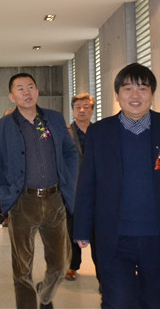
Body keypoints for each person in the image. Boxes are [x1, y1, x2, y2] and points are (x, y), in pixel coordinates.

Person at [73, 63, 160, 308]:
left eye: (143, 88)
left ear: (152, 94)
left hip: (159, 238)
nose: (135, 95)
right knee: (116, 302)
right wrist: (82, 228)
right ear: (117, 95)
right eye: (128, 88)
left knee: (155, 303)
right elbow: (87, 183)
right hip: (114, 237)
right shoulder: (100, 132)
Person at [0, 73, 79, 309]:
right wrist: (0, 198)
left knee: (61, 264)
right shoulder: (3, 126)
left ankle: (45, 295)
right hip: (22, 203)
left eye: (30, 87)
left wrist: (69, 183)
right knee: (22, 269)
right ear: (11, 96)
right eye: (20, 88)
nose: (26, 92)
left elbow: (70, 152)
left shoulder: (54, 119)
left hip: (55, 200)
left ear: (37, 91)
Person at [64, 93, 97, 282]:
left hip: (96, 190)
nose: (82, 110)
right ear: (73, 110)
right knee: (72, 230)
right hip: (72, 190)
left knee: (98, 232)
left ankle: (102, 275)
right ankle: (72, 266)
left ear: (92, 110)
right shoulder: (65, 132)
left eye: (86, 107)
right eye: (78, 107)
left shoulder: (100, 132)